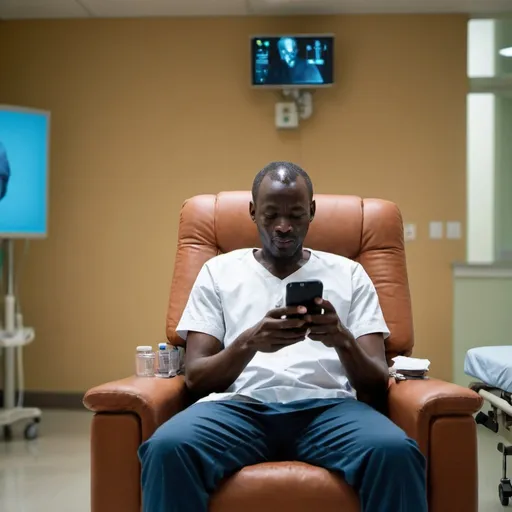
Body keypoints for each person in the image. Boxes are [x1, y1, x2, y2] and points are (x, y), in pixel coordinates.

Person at [139, 161, 427, 512]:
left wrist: (340, 338)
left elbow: (376, 380)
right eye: (271, 214)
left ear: (312, 211)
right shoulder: (219, 271)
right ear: (252, 211)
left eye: (295, 215)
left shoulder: (350, 273)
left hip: (329, 409)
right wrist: (250, 341)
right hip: (239, 409)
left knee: (396, 452)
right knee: (167, 448)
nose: (283, 226)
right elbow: (197, 377)